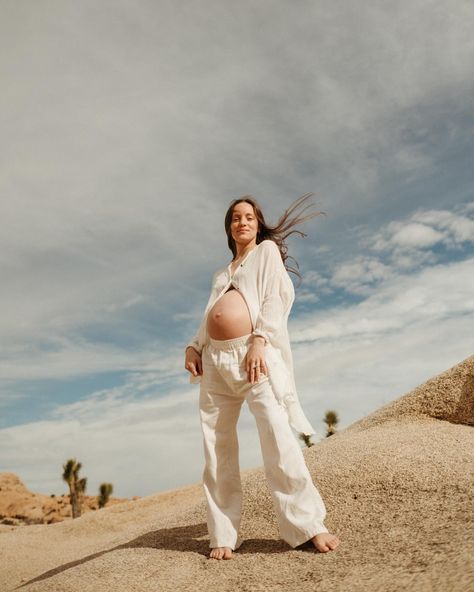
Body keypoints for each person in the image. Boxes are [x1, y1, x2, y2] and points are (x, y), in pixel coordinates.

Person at [184, 194, 340, 560]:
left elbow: (276, 297)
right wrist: (194, 345)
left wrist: (259, 338)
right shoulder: (221, 273)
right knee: (216, 449)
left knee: (276, 436)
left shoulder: (266, 253)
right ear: (229, 227)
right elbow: (210, 313)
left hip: (253, 357)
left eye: (249, 217)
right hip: (215, 364)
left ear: (257, 224)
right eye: (236, 218)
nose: (242, 222)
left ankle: (309, 525)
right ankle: (222, 533)